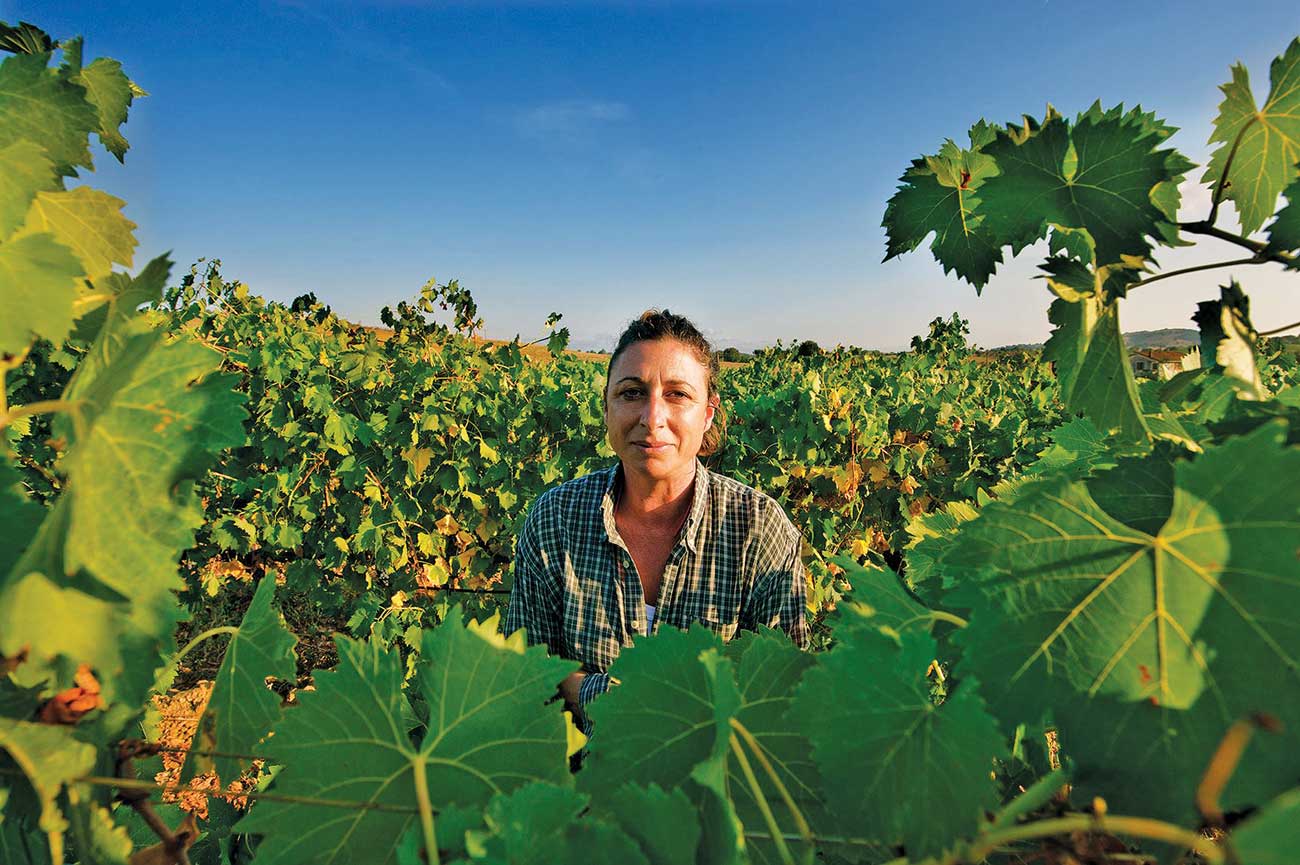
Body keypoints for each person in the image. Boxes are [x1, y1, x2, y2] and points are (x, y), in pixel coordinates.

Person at [503, 309, 810, 730]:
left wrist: (589, 689)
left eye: (677, 394)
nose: (652, 418)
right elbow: (526, 678)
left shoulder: (758, 530)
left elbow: (782, 699)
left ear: (707, 414)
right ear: (607, 407)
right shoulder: (555, 520)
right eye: (631, 393)